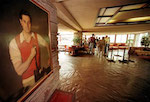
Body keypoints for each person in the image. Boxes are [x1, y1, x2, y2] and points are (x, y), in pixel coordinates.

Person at [9, 9, 50, 87]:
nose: (27, 25)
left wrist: (50, 57)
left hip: (39, 75)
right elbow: (19, 71)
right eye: (24, 22)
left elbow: (47, 44)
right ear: (20, 22)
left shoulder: (36, 36)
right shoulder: (14, 43)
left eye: (29, 22)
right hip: (28, 81)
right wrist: (31, 56)